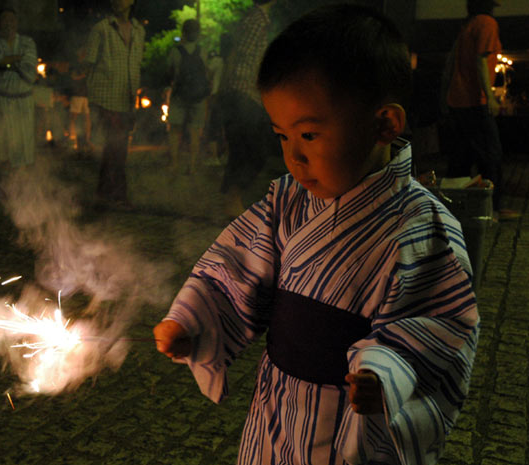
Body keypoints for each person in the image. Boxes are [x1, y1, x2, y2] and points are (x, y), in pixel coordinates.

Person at [154, 5, 479, 465]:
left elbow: (442, 328)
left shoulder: (425, 229)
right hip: (277, 405)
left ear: (384, 124)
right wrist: (192, 321)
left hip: (351, 420)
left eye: (309, 134)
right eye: (282, 136)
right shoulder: (286, 201)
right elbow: (234, 266)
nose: (293, 158)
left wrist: (387, 374)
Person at [444, 0, 518, 220]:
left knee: (462, 157)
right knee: (491, 155)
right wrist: (490, 97)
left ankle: (453, 207)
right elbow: (481, 61)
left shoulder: (470, 24)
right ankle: (492, 209)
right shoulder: (486, 23)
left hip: (458, 99)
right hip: (474, 100)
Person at [217, 0, 280, 217]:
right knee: (252, 149)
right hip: (243, 93)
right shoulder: (256, 20)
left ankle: (231, 199)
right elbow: (237, 55)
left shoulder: (258, 19)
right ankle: (231, 199)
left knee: (245, 149)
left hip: (246, 94)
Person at [84, 0, 145, 208]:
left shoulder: (139, 30)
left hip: (126, 99)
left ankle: (104, 193)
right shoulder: (101, 29)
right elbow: (89, 64)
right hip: (105, 97)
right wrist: (92, 100)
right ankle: (117, 194)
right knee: (115, 146)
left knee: (117, 148)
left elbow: (135, 66)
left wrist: (134, 101)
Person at [0, 8, 37, 168]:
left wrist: (5, 62)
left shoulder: (27, 43)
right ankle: (6, 180)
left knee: (24, 139)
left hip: (23, 99)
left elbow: (29, 65)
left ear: (17, 23)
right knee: (3, 139)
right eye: (4, 20)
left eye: (11, 20)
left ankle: (23, 177)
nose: (8, 23)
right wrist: (14, 60)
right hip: (3, 99)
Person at [165, 19, 211, 175]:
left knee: (174, 130)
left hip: (179, 96)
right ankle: (192, 165)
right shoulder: (203, 51)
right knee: (195, 131)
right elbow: (207, 73)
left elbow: (169, 73)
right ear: (198, 34)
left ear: (183, 33)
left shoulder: (175, 51)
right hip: (198, 97)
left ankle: (174, 163)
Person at [68, 45, 92, 152]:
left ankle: (87, 139)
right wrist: (83, 75)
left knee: (87, 118)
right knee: (74, 117)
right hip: (77, 94)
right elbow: (73, 77)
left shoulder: (86, 66)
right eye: (82, 53)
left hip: (85, 95)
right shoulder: (75, 65)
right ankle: (71, 138)